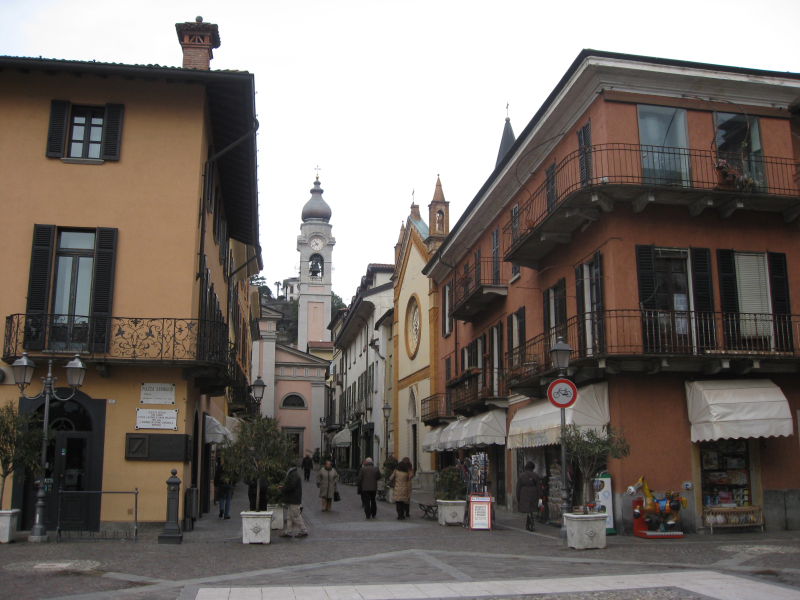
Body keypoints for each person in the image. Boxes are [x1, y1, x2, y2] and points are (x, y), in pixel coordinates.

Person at [279, 464, 308, 538]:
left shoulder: (294, 474)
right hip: (292, 498)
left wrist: (283, 488)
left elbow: (291, 486)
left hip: (294, 499)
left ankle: (303, 530)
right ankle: (288, 531)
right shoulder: (293, 473)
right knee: (289, 516)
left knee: (295, 516)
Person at [516, 461, 542, 531]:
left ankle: (529, 522)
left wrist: (518, 497)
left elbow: (518, 488)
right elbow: (539, 487)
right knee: (531, 509)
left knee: (528, 509)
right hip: (534, 493)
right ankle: (530, 522)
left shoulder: (521, 476)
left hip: (524, 494)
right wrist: (540, 497)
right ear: (533, 468)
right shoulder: (536, 476)